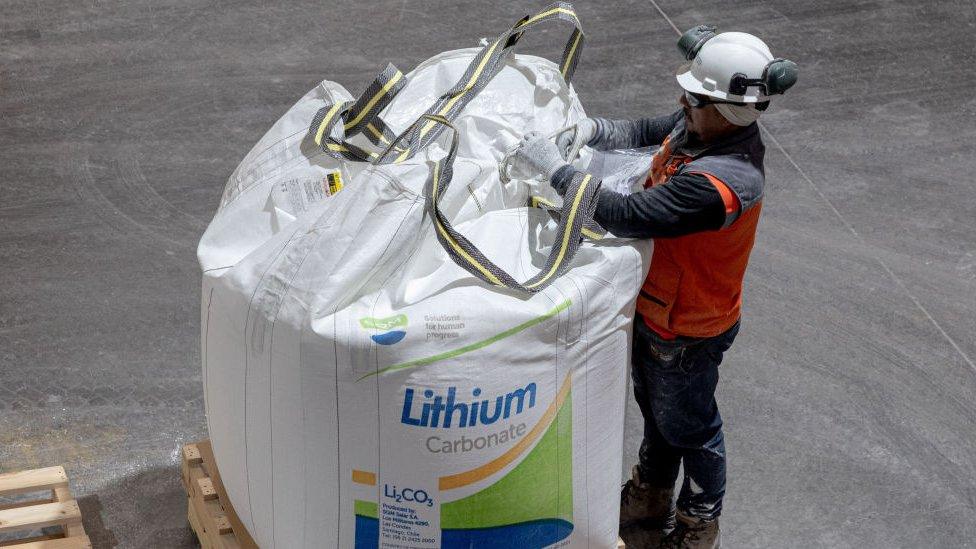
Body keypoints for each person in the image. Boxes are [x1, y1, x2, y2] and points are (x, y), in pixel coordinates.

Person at [512, 26, 797, 549]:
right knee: (659, 415)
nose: (681, 101)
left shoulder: (722, 182)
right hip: (660, 309)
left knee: (692, 427)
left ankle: (697, 524)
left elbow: (628, 213)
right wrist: (590, 130)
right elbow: (647, 128)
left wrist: (556, 171)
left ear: (728, 108)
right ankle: (651, 495)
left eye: (694, 96)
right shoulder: (705, 127)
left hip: (689, 328)